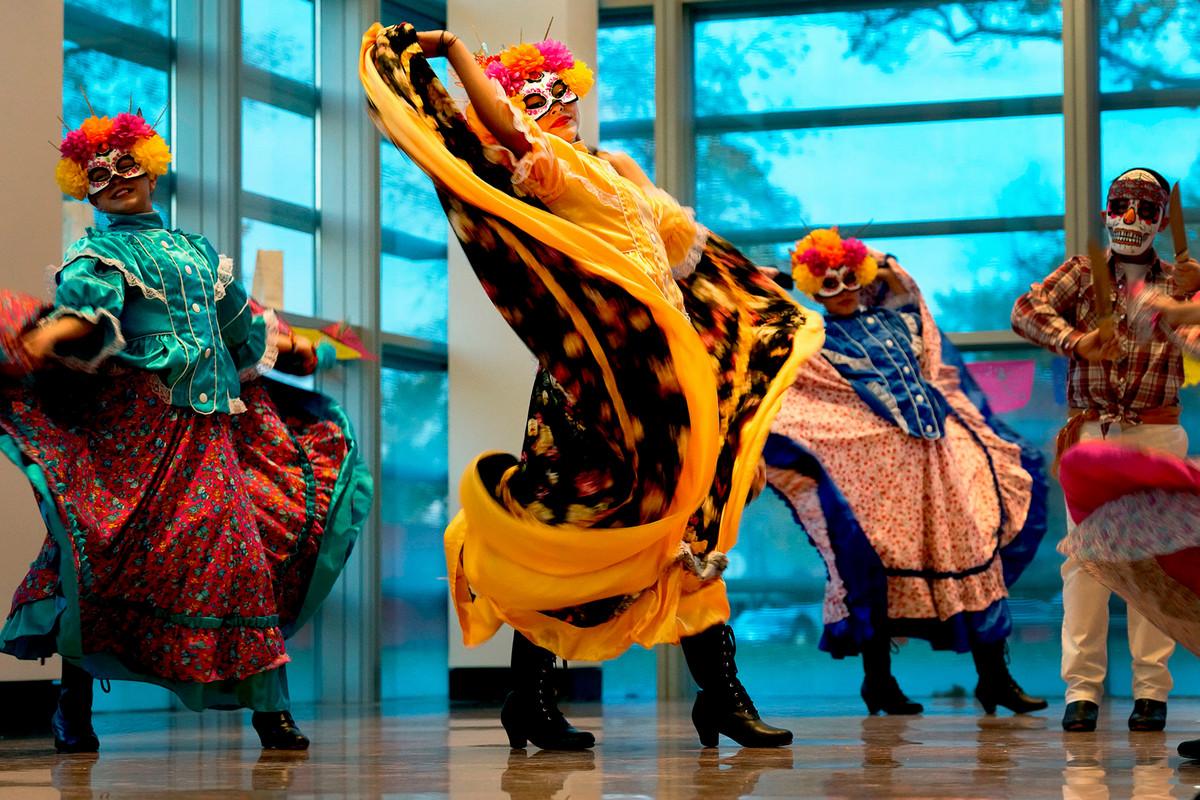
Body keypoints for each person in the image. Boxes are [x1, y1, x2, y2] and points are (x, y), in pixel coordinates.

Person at [360, 23, 824, 749]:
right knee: (582, 527)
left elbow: (691, 253)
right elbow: (507, 132)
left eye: (564, 92)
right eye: (540, 96)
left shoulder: (616, 171)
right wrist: (455, 59)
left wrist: (760, 296)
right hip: (594, 387)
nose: (560, 105)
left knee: (687, 527)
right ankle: (532, 694)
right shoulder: (547, 172)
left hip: (667, 380)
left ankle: (716, 697)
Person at [0, 108, 372, 752]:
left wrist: (306, 348)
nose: (115, 180)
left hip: (210, 437)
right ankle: (73, 703)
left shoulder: (198, 251)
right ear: (83, 187)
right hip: (137, 435)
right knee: (101, 555)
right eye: (98, 175)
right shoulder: (96, 252)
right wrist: (52, 333)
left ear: (152, 170)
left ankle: (270, 711)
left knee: (239, 557)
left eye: (126, 166)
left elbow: (243, 331)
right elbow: (87, 313)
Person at [764, 228, 1048, 717]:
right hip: (880, 472)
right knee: (876, 562)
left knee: (971, 547)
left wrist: (874, 258)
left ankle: (995, 679)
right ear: (813, 287)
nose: (843, 289)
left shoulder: (897, 321)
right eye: (828, 283)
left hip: (937, 461)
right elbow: (786, 373)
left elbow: (909, 294)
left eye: (850, 276)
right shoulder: (815, 338)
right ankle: (879, 683)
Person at [1011, 166, 1200, 733]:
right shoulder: (1079, 273)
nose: (1131, 220)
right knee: (1086, 565)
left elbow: (1194, 339)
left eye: (1146, 211)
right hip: (1094, 438)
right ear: (1105, 211)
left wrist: (1193, 297)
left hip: (1156, 434)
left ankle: (1151, 693)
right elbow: (1026, 310)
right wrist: (1076, 341)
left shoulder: (1178, 282)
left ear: (1163, 222)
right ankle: (1082, 692)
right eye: (1122, 206)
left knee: (1155, 561)